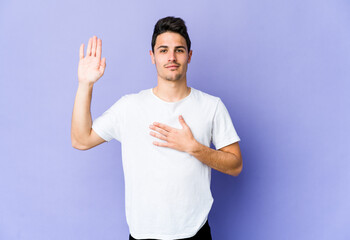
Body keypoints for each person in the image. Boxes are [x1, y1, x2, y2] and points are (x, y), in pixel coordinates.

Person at [71, 16, 243, 240]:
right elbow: (81, 140)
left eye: (179, 50)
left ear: (189, 56)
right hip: (143, 234)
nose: (171, 57)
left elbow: (235, 165)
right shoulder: (129, 107)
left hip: (195, 232)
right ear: (152, 56)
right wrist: (86, 84)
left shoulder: (211, 106)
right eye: (163, 50)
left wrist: (194, 148)